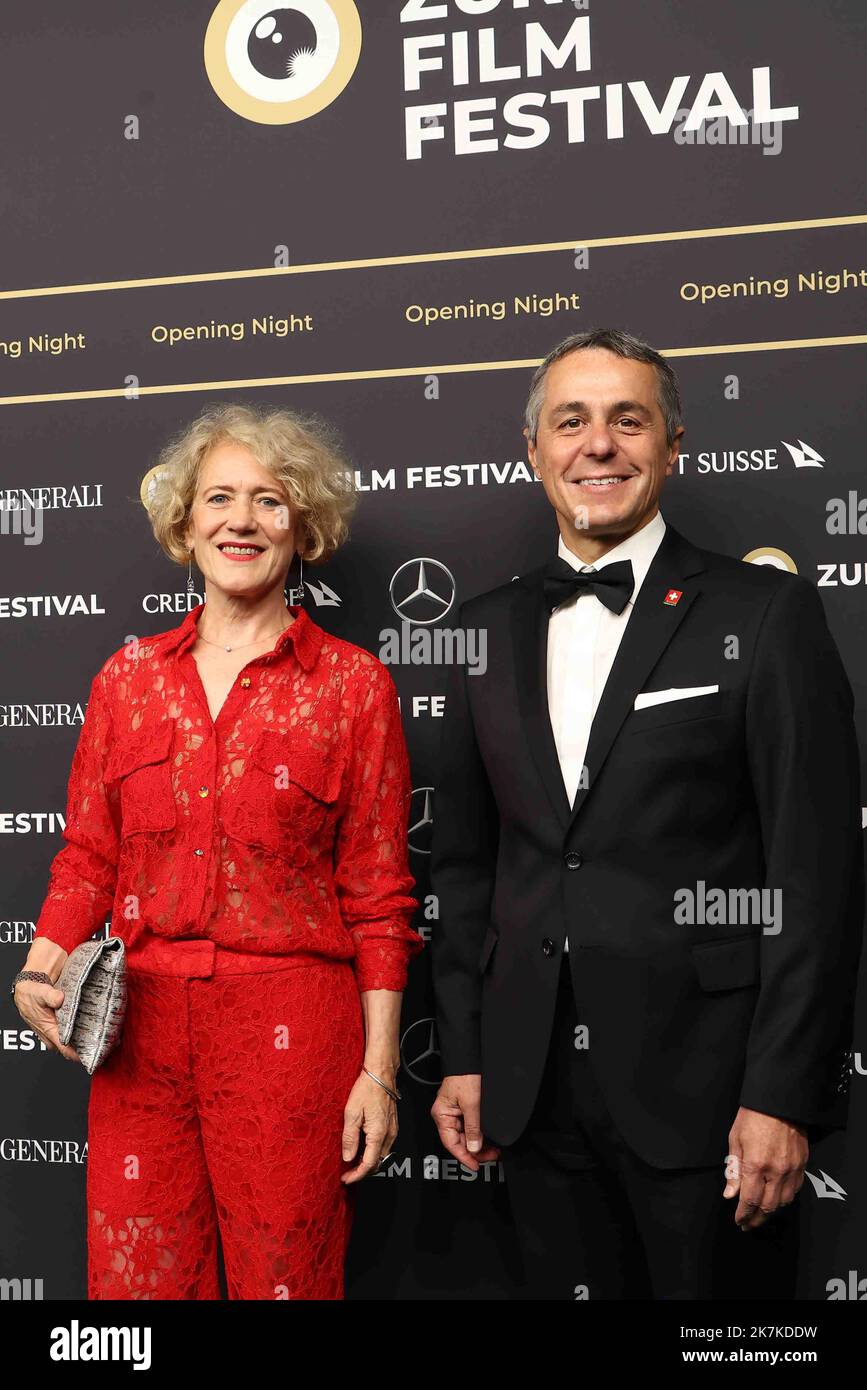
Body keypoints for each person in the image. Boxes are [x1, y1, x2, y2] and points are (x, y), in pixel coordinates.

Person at [428, 328, 864, 1300]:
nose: (599, 445)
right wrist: (464, 1054)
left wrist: (781, 1093)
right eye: (570, 421)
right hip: (531, 1091)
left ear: (674, 445)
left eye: (629, 420)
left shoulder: (765, 613)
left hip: (710, 1093)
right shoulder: (480, 632)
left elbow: (814, 879)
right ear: (532, 449)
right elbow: (466, 866)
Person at [12, 402, 423, 1300]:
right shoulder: (126, 681)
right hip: (139, 1036)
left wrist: (377, 1075)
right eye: (219, 499)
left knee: (288, 1281)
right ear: (185, 524)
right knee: (136, 1290)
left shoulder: (353, 687)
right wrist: (41, 966)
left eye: (269, 502)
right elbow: (89, 854)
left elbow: (379, 893)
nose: (241, 520)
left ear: (302, 528)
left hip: (290, 1033)